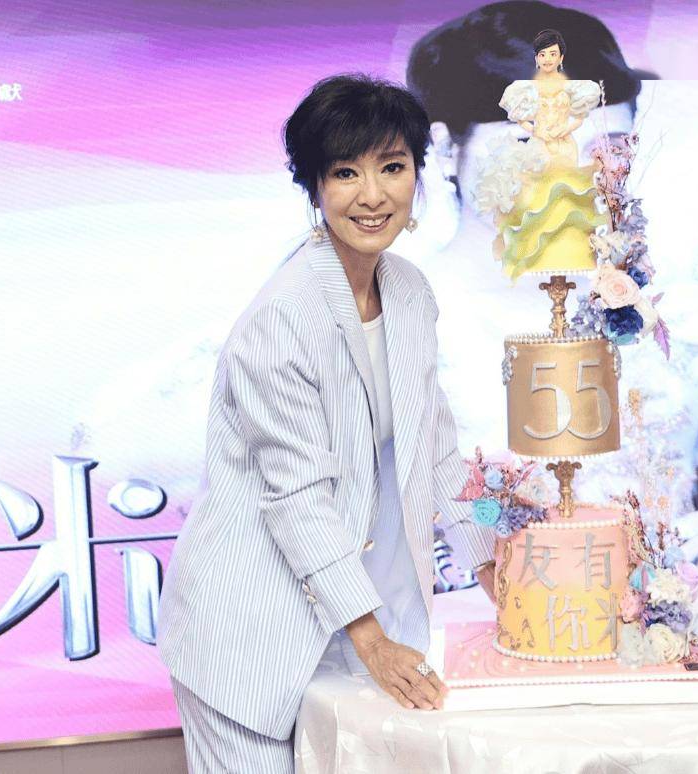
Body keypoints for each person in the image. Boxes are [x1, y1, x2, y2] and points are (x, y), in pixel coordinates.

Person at [157, 74, 496, 773]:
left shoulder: (409, 291)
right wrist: (373, 642)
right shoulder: (283, 319)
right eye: (345, 173)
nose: (372, 195)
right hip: (252, 631)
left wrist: (495, 570)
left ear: (418, 175)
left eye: (391, 167)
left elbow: (438, 452)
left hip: (354, 621)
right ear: (314, 188)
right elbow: (297, 498)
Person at [405, 1, 698, 571]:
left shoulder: (666, 301)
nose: (577, 181)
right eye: (537, 145)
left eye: (604, 150)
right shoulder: (402, 317)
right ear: (446, 145)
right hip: (482, 609)